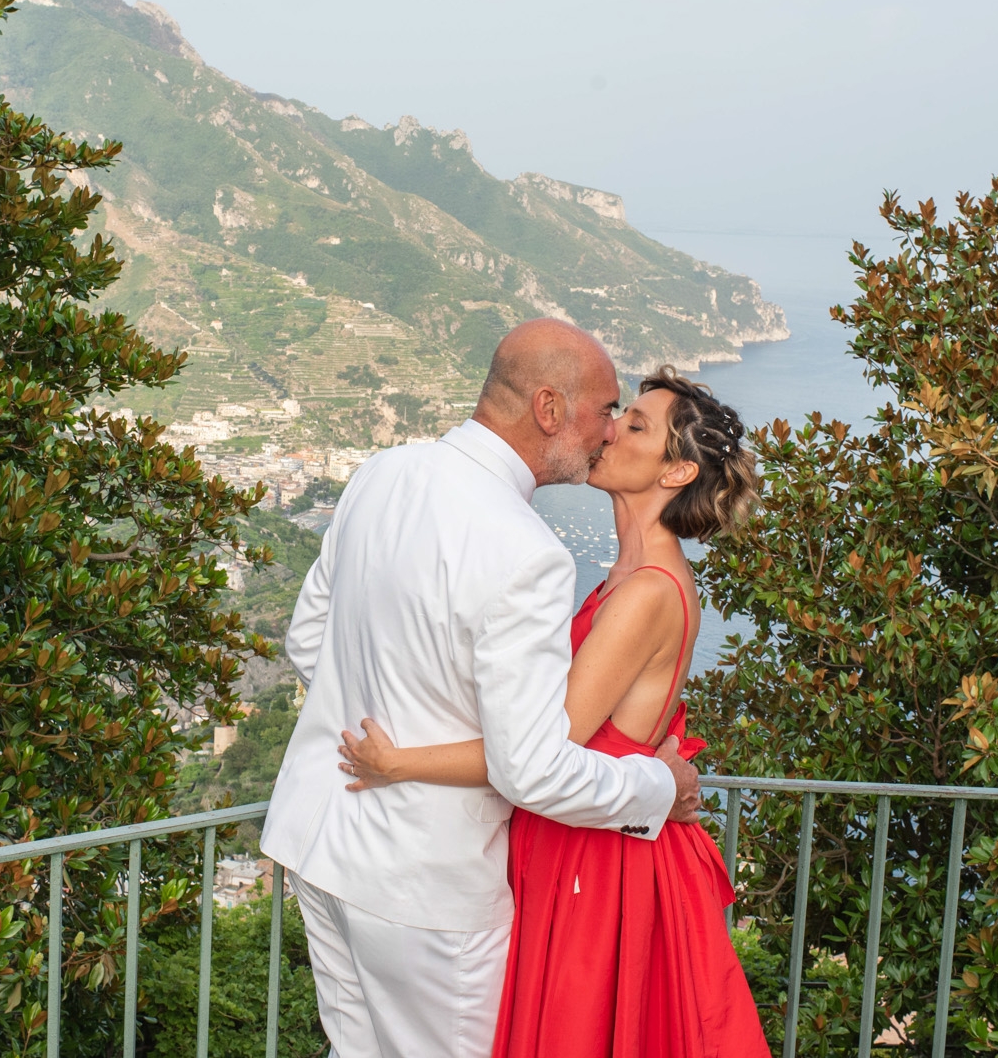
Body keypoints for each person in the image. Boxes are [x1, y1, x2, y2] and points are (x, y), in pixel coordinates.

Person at [259, 321, 703, 1058]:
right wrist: (655, 785)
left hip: (316, 840)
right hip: (424, 883)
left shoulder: (385, 470)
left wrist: (389, 719)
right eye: (603, 411)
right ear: (550, 409)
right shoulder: (526, 550)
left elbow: (309, 636)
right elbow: (530, 768)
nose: (605, 434)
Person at [338, 367, 771, 1058]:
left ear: (676, 470)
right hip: (587, 839)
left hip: (596, 861)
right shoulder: (630, 578)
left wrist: (397, 762)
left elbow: (539, 751)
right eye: (618, 414)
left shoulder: (645, 592)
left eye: (634, 426)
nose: (609, 429)